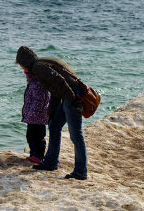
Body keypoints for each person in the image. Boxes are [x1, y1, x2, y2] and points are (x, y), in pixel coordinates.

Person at [14, 46, 89, 180]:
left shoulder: (38, 68)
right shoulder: (43, 62)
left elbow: (60, 82)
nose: (22, 69)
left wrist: (72, 99)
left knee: (76, 134)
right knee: (54, 124)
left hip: (72, 96)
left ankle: (80, 171)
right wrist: (51, 112)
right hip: (70, 94)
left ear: (24, 63)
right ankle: (50, 162)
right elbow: (55, 89)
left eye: (20, 65)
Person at [20, 64, 50, 164]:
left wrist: (32, 113)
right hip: (31, 117)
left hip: (38, 117)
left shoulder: (38, 84)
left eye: (27, 74)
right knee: (30, 135)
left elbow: (40, 100)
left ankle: (39, 156)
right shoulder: (32, 82)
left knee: (39, 137)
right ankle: (33, 154)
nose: (25, 76)